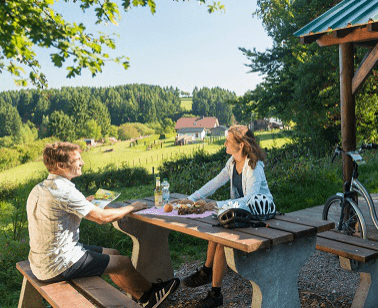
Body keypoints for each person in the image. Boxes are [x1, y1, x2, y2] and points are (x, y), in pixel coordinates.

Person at [26, 142, 180, 308]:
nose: (82, 162)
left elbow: (57, 212)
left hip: (42, 260)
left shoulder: (40, 188)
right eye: (77, 159)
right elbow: (101, 218)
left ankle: (140, 295)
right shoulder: (65, 191)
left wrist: (83, 203)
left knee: (113, 253)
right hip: (58, 264)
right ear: (61, 165)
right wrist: (131, 207)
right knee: (123, 263)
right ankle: (151, 296)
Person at [174, 125, 272, 308]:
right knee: (215, 228)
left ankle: (215, 294)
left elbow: (250, 200)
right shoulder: (232, 163)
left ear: (241, 145)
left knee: (221, 240)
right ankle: (206, 271)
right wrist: (191, 198)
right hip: (241, 214)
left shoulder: (254, 166)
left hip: (258, 215)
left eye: (228, 140)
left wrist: (218, 204)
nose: (225, 142)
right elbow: (215, 182)